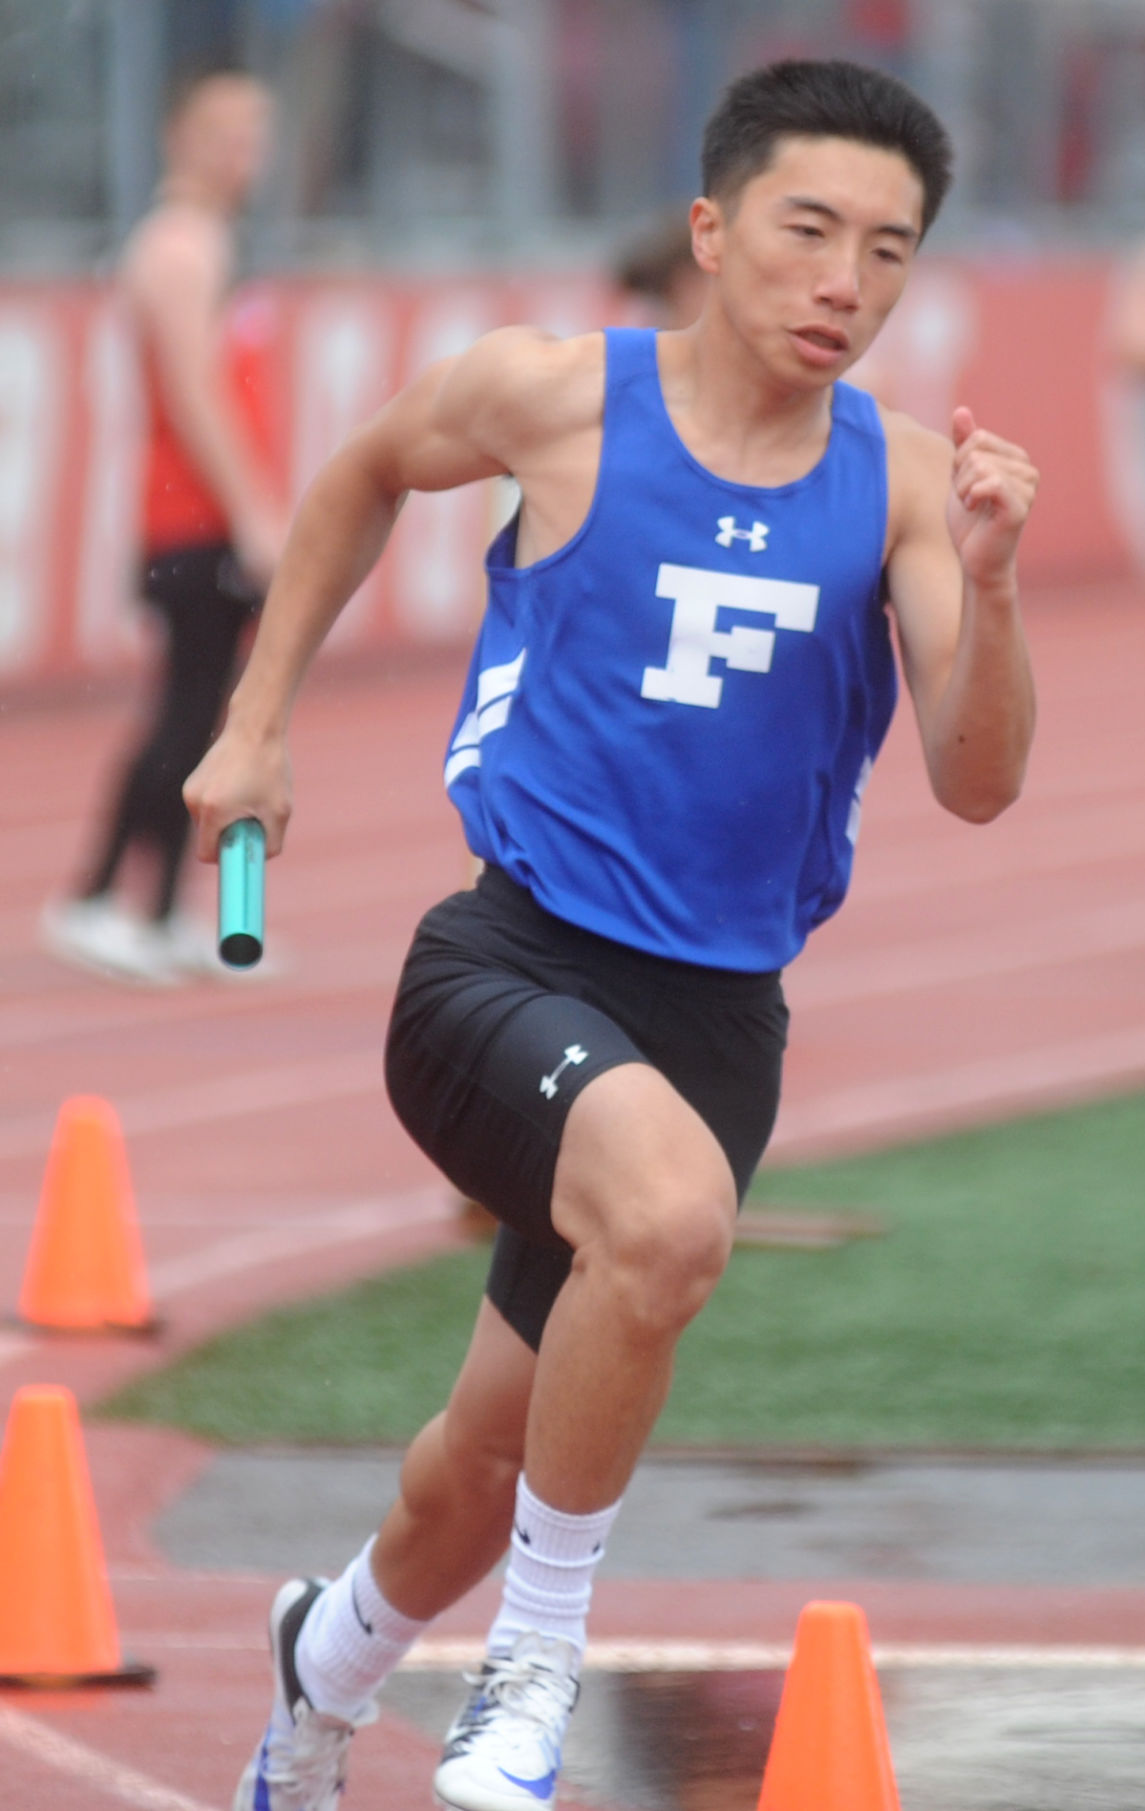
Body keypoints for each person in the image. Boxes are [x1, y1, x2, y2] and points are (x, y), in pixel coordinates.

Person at [185, 58, 1037, 1811]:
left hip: (718, 1024)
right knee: (663, 1221)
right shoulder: (558, 399)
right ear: (714, 234)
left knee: (475, 1475)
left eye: (890, 252)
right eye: (811, 232)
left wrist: (998, 581)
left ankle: (322, 1662)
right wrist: (257, 719)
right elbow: (357, 472)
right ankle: (536, 1670)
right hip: (506, 965)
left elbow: (979, 779)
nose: (846, 284)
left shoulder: (895, 489)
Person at [40, 68, 287, 987]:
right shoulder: (178, 248)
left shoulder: (218, 242)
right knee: (185, 713)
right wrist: (258, 511)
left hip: (213, 517)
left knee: (210, 715)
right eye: (226, 132)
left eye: (256, 134)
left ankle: (160, 910)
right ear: (177, 135)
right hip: (192, 521)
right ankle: (103, 899)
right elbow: (195, 395)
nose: (244, 154)